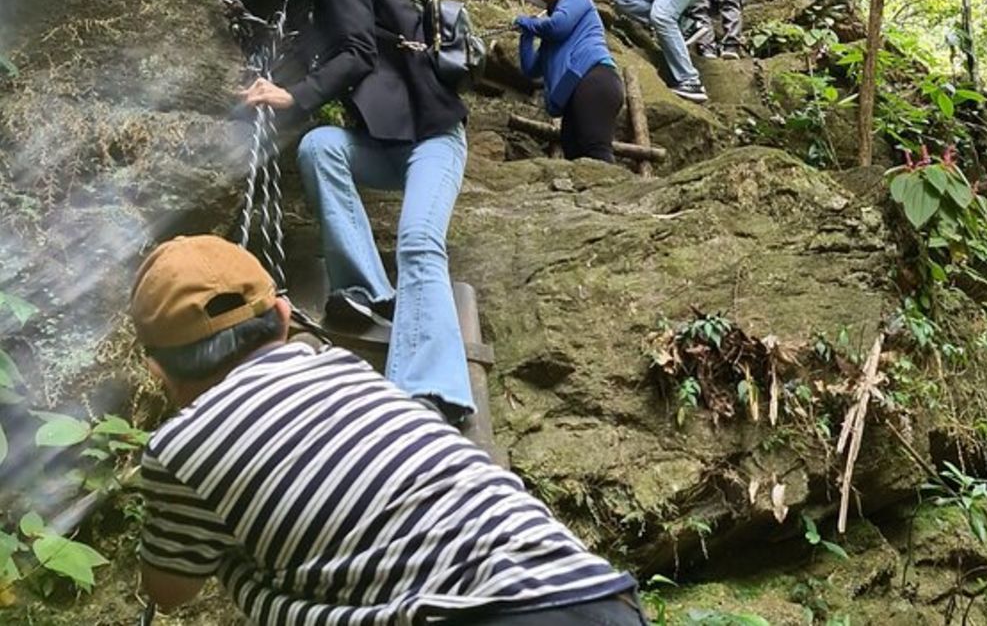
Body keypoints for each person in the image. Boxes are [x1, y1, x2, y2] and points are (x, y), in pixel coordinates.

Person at [130, 234, 647, 624]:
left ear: (158, 370)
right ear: (284, 316)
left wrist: (243, 574)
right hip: (596, 594)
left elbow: (169, 590)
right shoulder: (345, 369)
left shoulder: (181, 447)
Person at [240, 0, 473, 424]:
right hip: (389, 144)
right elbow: (330, 51)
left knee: (418, 243)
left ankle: (434, 391)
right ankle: (366, 289)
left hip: (434, 138)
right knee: (322, 146)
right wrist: (271, 87)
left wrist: (293, 97)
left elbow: (357, 55)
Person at [514, 0, 624, 162]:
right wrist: (526, 36)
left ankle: (612, 193)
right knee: (574, 153)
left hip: (594, 79)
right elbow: (531, 69)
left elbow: (559, 26)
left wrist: (530, 24)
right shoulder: (548, 28)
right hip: (573, 90)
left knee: (595, 148)